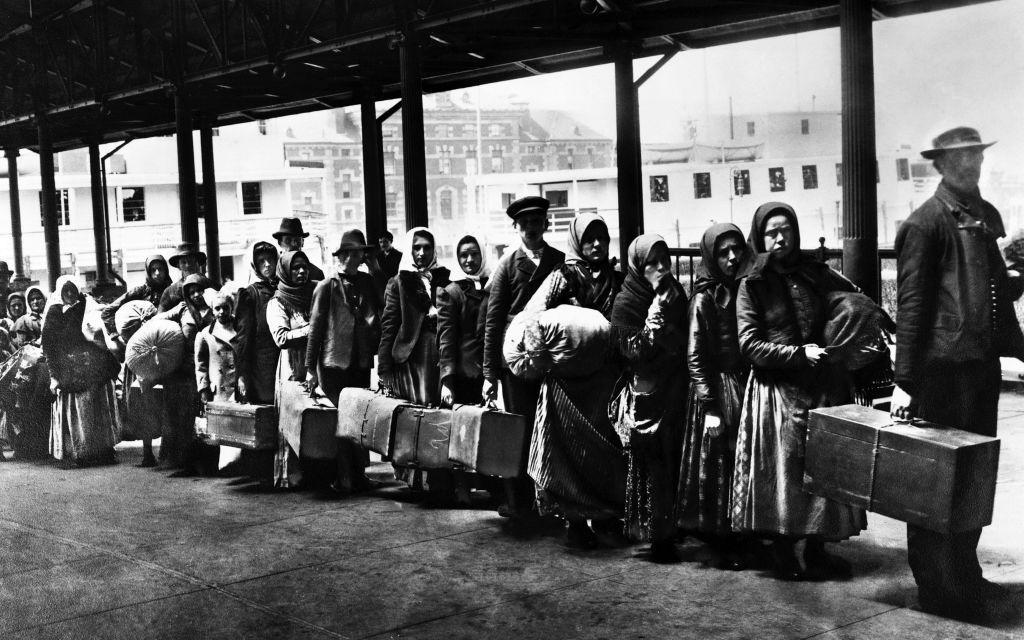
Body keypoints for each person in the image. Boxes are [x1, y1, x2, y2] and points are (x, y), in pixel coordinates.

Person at [891, 126, 1024, 618]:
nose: (971, 165)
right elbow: (911, 308)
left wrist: (1017, 347)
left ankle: (964, 575)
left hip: (978, 373)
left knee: (972, 481)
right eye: (960, 158)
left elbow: (994, 297)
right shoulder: (925, 224)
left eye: (975, 156)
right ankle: (938, 588)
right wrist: (905, 382)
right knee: (934, 485)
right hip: (940, 376)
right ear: (941, 166)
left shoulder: (983, 218)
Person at [732, 202, 866, 581]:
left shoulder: (814, 273)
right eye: (772, 232)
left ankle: (818, 549)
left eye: (786, 229)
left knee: (825, 468)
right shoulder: (752, 283)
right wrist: (795, 354)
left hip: (821, 385)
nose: (780, 238)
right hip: (778, 392)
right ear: (759, 238)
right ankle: (783, 552)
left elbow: (848, 302)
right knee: (786, 473)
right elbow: (749, 344)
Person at [523, 212, 625, 549]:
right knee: (568, 452)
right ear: (577, 242)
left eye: (602, 238)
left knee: (604, 449)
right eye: (589, 238)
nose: (596, 244)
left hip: (603, 380)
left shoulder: (617, 278)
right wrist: (542, 360)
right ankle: (576, 520)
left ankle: (606, 515)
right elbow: (533, 316)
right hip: (566, 384)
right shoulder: (562, 276)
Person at [676, 223, 753, 570]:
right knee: (718, 462)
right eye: (723, 252)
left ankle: (743, 531)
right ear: (711, 256)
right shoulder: (704, 297)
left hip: (744, 383)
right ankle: (722, 539)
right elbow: (695, 356)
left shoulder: (747, 289)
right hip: (717, 389)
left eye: (737, 249)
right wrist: (710, 405)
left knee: (743, 459)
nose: (733, 257)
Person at [482, 196, 565, 518]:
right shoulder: (506, 264)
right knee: (520, 430)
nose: (531, 228)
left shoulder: (559, 261)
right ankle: (519, 503)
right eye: (524, 223)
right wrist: (490, 373)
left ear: (545, 224)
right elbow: (493, 319)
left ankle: (553, 502)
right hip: (515, 361)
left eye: (537, 221)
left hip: (550, 356)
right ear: (515, 227)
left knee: (550, 431)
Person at [610, 233, 689, 562]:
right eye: (651, 263)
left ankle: (677, 525)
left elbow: (687, 335)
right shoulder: (627, 301)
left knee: (676, 459)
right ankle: (657, 535)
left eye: (664, 261)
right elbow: (631, 352)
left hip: (676, 386)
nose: (660, 268)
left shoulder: (676, 292)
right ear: (638, 267)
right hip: (646, 391)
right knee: (652, 465)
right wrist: (655, 320)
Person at [377, 227, 453, 497]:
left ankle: (438, 473)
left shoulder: (444, 278)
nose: (422, 253)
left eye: (427, 248)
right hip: (412, 359)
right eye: (416, 248)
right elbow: (389, 326)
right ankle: (417, 476)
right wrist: (384, 368)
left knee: (439, 413)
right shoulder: (398, 282)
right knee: (417, 415)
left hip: (438, 357)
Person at [305, 230, 381, 493]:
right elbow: (314, 330)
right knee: (340, 420)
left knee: (359, 419)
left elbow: (379, 312)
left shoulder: (367, 282)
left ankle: (359, 475)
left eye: (362, 253)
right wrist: (309, 369)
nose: (360, 257)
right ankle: (344, 476)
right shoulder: (326, 285)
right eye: (359, 252)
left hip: (360, 361)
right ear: (346, 255)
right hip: (333, 363)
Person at [41, 276, 119, 466]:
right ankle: (80, 452)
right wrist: (54, 375)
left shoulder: (88, 305)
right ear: (60, 292)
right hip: (69, 368)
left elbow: (99, 329)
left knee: (97, 408)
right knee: (78, 412)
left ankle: (104, 450)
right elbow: (49, 345)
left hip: (93, 365)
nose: (69, 294)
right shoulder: (54, 312)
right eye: (65, 291)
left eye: (72, 290)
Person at [154, 274, 214, 473]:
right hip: (184, 370)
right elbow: (159, 318)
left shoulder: (216, 308)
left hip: (208, 367)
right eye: (191, 292)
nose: (196, 295)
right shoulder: (182, 309)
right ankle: (179, 461)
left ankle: (206, 462)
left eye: (199, 290)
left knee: (205, 413)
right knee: (181, 416)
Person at [267, 250, 316, 488]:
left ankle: (318, 474)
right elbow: (281, 337)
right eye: (295, 267)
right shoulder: (277, 302)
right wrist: (313, 329)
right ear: (285, 271)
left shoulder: (314, 294)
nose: (301, 271)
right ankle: (290, 476)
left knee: (314, 421)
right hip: (292, 366)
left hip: (314, 365)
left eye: (304, 267)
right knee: (292, 420)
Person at [438, 235, 490, 407]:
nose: (470, 260)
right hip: (464, 375)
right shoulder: (451, 292)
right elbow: (446, 339)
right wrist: (447, 382)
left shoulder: (493, 286)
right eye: (464, 255)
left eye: (475, 254)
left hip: (490, 373)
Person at [235, 242, 279, 405]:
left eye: (270, 260)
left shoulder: (283, 288)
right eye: (261, 261)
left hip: (284, 362)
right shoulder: (250, 294)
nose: (267, 264)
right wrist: (242, 374)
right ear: (255, 265)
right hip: (261, 369)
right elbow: (243, 338)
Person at [101, 255, 171, 340]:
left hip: (168, 338)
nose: (157, 273)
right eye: (153, 270)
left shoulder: (173, 291)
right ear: (148, 272)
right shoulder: (140, 291)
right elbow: (107, 311)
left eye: (160, 269)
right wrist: (115, 333)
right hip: (143, 341)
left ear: (166, 271)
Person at [158, 243, 211, 312]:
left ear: (197, 263)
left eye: (191, 261)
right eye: (183, 262)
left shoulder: (209, 285)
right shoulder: (170, 292)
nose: (188, 265)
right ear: (178, 266)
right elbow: (160, 316)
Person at [272, 217, 326, 281]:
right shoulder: (273, 274)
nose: (293, 244)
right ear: (280, 243)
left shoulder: (316, 274)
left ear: (302, 242)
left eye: (297, 240)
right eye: (288, 240)